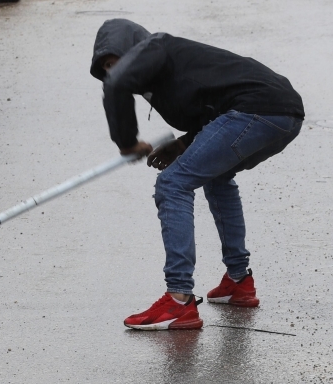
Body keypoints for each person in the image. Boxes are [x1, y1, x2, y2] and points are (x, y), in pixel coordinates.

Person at [90, 19, 304, 330]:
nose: (112, 72)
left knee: (172, 183)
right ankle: (238, 281)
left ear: (132, 50)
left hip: (260, 109)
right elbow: (214, 114)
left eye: (115, 62)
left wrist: (127, 143)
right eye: (106, 67)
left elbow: (116, 85)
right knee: (216, 177)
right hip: (278, 115)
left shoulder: (156, 47)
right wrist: (182, 144)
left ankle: (178, 300)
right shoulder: (161, 75)